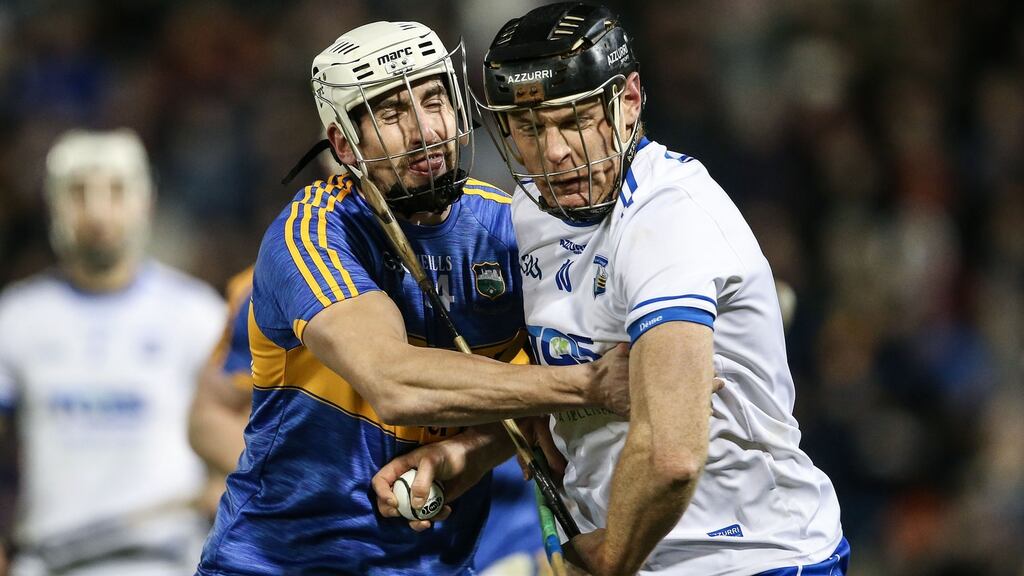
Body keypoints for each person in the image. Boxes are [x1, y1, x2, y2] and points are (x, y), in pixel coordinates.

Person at [376, 3, 849, 575]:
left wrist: (610, 561)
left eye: (572, 120)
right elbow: (565, 406)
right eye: (528, 127)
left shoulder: (666, 218)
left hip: (751, 559)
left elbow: (671, 457)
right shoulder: (527, 213)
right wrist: (463, 455)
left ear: (627, 100)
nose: (553, 152)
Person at [196, 20, 630, 575]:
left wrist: (465, 454)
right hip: (280, 562)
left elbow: (526, 400)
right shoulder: (311, 232)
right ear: (342, 145)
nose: (426, 131)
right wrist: (585, 385)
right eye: (392, 114)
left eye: (435, 101)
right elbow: (394, 381)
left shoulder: (507, 226)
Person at [189, 265, 548, 575]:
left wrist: (476, 448)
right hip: (324, 550)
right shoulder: (272, 278)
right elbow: (210, 415)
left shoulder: (496, 257)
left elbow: (535, 398)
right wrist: (280, 480)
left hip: (500, 531)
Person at [0, 129, 226, 575]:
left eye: (117, 191)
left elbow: (252, 432)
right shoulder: (15, 318)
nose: (99, 212)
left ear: (146, 202)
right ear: (54, 205)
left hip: (166, 560)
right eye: (79, 193)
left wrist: (229, 480)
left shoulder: (197, 314)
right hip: (48, 558)